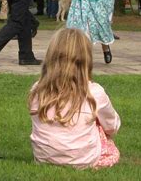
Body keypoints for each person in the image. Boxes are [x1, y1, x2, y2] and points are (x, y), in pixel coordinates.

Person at [29, 28, 121, 169]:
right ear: (86, 60)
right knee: (101, 129)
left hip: (43, 157)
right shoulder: (94, 92)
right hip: (84, 160)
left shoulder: (38, 89)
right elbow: (112, 127)